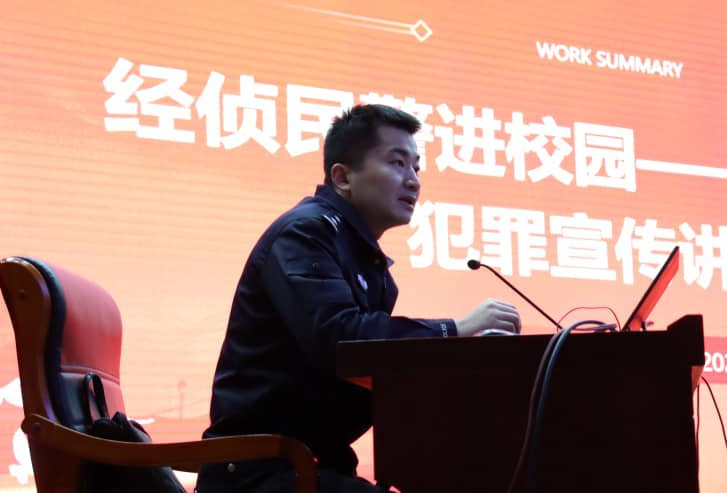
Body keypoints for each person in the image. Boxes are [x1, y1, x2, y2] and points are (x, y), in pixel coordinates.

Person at [196, 104, 521, 493]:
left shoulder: (369, 264)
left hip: (310, 465)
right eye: (397, 163)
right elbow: (340, 340)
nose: (413, 181)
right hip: (258, 471)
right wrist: (455, 330)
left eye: (417, 168)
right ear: (342, 177)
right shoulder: (305, 233)